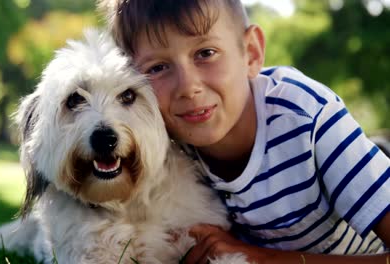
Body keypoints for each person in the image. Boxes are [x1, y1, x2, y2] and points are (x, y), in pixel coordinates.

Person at [102, 0, 390, 263]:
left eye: (206, 53)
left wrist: (261, 258)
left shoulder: (306, 117)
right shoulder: (166, 145)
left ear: (251, 53)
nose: (188, 87)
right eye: (158, 67)